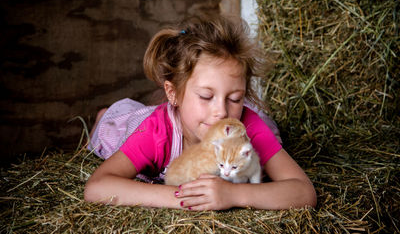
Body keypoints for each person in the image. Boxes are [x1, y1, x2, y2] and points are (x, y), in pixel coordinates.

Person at [84, 15, 317, 210]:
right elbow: (97, 186)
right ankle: (104, 116)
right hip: (134, 122)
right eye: (206, 97)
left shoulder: (246, 126)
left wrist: (233, 195)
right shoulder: (154, 133)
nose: (221, 111)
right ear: (173, 93)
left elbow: (303, 191)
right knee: (113, 124)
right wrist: (184, 197)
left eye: (235, 98)